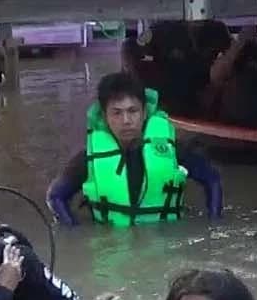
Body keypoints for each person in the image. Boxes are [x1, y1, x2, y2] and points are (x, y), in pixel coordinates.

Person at [47, 72, 224, 226]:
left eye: (133, 111)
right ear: (104, 116)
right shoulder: (88, 159)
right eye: (117, 113)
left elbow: (212, 179)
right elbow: (55, 197)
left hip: (166, 241)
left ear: (145, 112)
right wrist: (73, 230)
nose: (126, 120)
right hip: (112, 246)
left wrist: (214, 223)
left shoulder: (171, 150)